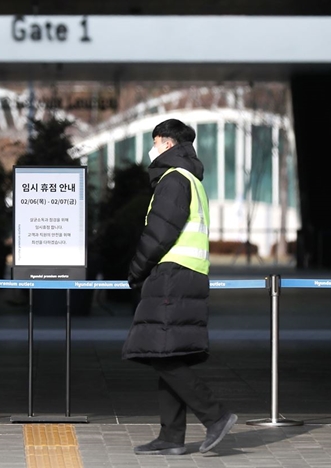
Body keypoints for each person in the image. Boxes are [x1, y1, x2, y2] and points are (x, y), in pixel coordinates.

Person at [122, 119, 237, 455]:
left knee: (158, 351)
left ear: (167, 144)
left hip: (172, 274)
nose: (153, 148)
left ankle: (215, 416)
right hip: (189, 274)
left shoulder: (173, 180)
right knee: (166, 351)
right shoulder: (191, 179)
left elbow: (160, 233)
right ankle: (171, 436)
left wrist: (136, 270)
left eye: (155, 142)